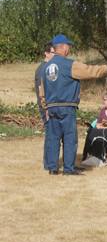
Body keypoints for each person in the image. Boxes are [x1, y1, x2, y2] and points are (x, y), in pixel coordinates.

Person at [41, 34, 107, 176]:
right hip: (66, 106)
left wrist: (46, 107)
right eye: (68, 45)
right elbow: (90, 71)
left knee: (54, 138)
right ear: (62, 46)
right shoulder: (69, 65)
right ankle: (68, 169)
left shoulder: (45, 67)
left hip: (51, 107)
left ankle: (53, 169)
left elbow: (42, 90)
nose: (69, 48)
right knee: (70, 138)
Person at [35, 43, 55, 172]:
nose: (54, 55)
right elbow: (41, 90)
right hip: (46, 108)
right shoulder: (42, 69)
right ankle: (47, 165)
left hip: (52, 106)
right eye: (53, 52)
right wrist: (46, 108)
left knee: (54, 136)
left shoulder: (50, 67)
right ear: (46, 53)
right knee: (49, 136)